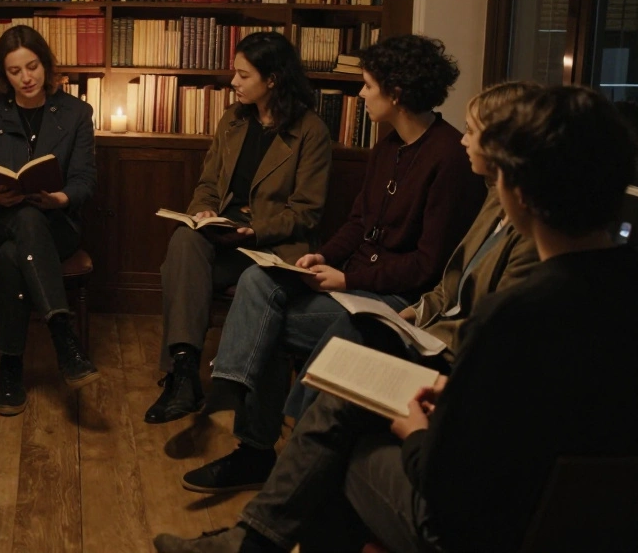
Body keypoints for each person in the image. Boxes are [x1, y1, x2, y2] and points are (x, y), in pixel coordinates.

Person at [154, 85, 638, 553]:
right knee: (339, 388)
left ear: (518, 190)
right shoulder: (614, 287)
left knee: (336, 445)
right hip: (587, 521)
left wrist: (416, 434)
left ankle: (254, 538)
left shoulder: (516, 314)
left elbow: (449, 479)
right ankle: (253, 533)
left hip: (483, 527)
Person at [181, 34, 487, 494]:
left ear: (395, 94)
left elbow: (429, 267)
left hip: (394, 301)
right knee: (258, 281)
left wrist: (348, 277)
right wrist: (325, 256)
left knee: (266, 324)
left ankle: (267, 451)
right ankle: (234, 389)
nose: (361, 94)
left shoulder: (448, 158)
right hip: (354, 283)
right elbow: (359, 222)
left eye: (367, 85)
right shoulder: (388, 147)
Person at [283, 81, 543, 417]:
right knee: (274, 294)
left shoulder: (526, 228)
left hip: (450, 351)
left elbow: (489, 323)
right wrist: (409, 316)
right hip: (420, 322)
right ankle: (291, 426)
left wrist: (411, 325)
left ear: (502, 143)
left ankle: (297, 424)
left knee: (351, 340)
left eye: (470, 131)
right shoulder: (495, 199)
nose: (463, 139)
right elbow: (449, 287)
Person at [147, 31, 334, 424]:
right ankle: (185, 372)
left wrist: (255, 230)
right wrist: (203, 212)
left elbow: (306, 212)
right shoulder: (233, 119)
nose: (234, 82)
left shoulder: (310, 130)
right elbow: (208, 184)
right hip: (225, 234)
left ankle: (184, 379)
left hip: (272, 245)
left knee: (180, 271)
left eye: (244, 75)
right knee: (184, 240)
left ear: (273, 79)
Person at [0, 24, 99, 416]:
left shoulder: (76, 113)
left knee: (14, 253)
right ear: (2, 75)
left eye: (32, 66)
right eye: (15, 71)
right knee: (22, 219)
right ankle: (63, 338)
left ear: (46, 64)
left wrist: (60, 198)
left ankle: (10, 367)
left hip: (56, 225)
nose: (26, 77)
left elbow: (85, 181)